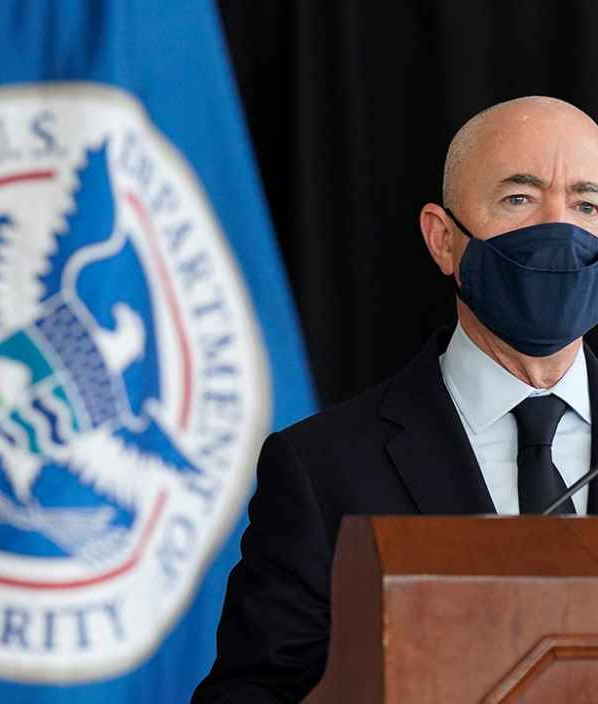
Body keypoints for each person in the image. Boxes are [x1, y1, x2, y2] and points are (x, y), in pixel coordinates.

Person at [191, 96, 598, 703]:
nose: (557, 230)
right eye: (519, 199)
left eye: (587, 204)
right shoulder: (321, 469)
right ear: (442, 239)